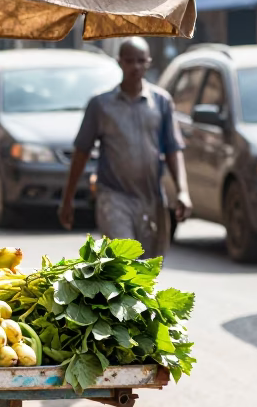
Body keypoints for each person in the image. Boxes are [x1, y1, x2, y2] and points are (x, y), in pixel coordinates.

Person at [58, 37, 191, 257]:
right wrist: (67, 199)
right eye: (130, 61)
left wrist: (183, 192)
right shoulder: (101, 105)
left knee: (148, 268)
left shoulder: (161, 102)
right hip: (114, 197)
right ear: (120, 62)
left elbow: (173, 149)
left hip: (151, 198)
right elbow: (81, 152)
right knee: (123, 260)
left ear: (148, 62)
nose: (135, 67)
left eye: (141, 61)